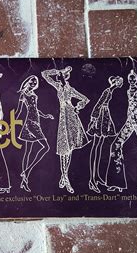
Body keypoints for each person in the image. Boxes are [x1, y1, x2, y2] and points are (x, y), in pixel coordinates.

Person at [41, 66, 89, 194]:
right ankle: (65, 176)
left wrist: (78, 107)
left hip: (72, 117)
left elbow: (85, 99)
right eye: (59, 75)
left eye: (62, 75)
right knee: (64, 148)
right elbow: (44, 73)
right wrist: (58, 71)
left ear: (66, 77)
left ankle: (65, 177)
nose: (59, 76)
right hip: (63, 119)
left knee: (69, 148)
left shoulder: (70, 89)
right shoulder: (58, 86)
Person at [15, 75, 53, 192]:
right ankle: (26, 173)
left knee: (29, 151)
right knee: (43, 147)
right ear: (27, 82)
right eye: (31, 82)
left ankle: (24, 179)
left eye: (35, 83)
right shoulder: (23, 94)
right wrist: (12, 123)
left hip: (36, 121)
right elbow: (19, 110)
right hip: (30, 123)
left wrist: (45, 115)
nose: (33, 84)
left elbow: (35, 109)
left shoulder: (33, 94)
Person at [87, 75, 123, 193]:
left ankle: (97, 177)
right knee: (95, 147)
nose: (119, 83)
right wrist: (93, 119)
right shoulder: (107, 91)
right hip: (100, 117)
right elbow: (98, 104)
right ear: (114, 81)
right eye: (118, 81)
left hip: (105, 117)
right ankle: (92, 180)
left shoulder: (110, 91)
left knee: (99, 147)